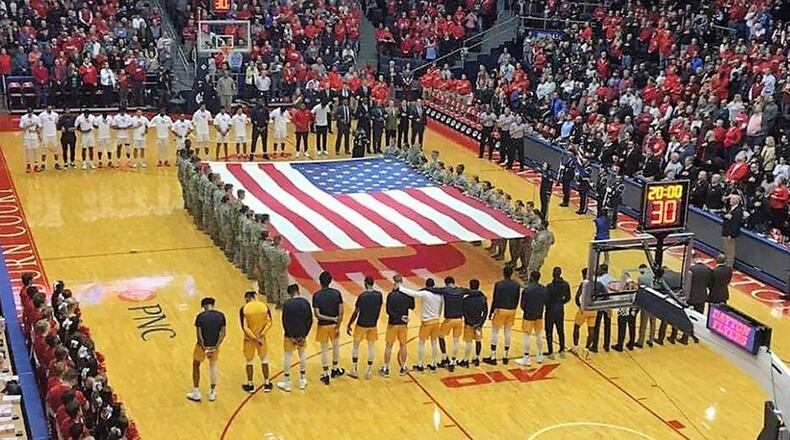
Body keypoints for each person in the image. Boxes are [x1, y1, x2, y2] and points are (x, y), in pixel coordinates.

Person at [400, 278, 444, 372]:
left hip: (426, 322)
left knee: (421, 343)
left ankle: (420, 364)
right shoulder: (439, 295)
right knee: (434, 343)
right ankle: (433, 364)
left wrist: (400, 288)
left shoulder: (425, 293)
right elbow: (440, 309)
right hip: (436, 321)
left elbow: (413, 293)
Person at [187, 297, 226, 402]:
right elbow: (223, 333)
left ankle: (196, 392)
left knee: (196, 365)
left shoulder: (200, 317)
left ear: (204, 306)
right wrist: (216, 346)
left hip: (201, 346)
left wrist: (204, 347)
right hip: (214, 346)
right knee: (213, 366)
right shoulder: (221, 316)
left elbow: (199, 335)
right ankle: (212, 392)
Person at [345, 276, 382, 379]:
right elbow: (378, 309)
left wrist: (349, 323)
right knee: (372, 347)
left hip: (361, 324)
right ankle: (369, 371)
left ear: (365, 283)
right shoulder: (379, 295)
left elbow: (356, 311)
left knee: (356, 346)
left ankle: (354, 369)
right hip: (372, 324)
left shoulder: (362, 296)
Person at [312, 271, 345, 385]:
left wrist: (329, 319)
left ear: (320, 282)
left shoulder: (316, 296)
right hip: (334, 326)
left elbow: (317, 314)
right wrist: (337, 324)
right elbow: (341, 312)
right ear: (330, 281)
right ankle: (335, 368)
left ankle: (325, 373)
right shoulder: (337, 293)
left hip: (323, 326)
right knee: (335, 347)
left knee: (324, 349)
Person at [277, 284, 312, 392]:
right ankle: (302, 379)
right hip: (302, 334)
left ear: (289, 293)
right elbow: (310, 320)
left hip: (289, 335)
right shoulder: (305, 303)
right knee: (302, 355)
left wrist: (291, 336)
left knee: (288, 356)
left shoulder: (287, 305)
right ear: (298, 291)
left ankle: (287, 381)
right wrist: (304, 335)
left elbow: (285, 322)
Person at [484, 265, 520, 365]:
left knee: (495, 331)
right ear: (511, 273)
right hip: (512, 309)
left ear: (503, 273)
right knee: (507, 331)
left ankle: (493, 356)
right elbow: (517, 299)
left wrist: (491, 312)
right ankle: (505, 356)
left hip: (501, 309)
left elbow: (495, 299)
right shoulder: (516, 285)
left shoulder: (499, 284)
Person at [380, 274, 414, 377]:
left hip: (393, 323)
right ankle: (403, 367)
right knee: (403, 345)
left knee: (389, 346)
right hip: (403, 323)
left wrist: (398, 316)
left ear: (394, 282)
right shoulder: (408, 294)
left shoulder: (391, 295)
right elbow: (412, 307)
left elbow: (388, 311)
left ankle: (385, 368)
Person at [239, 291, 273, 393]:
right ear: (255, 296)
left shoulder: (244, 309)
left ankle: (250, 384)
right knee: (264, 359)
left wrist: (254, 337)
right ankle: (267, 383)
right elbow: (269, 322)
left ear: (247, 298)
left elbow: (245, 327)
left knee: (249, 361)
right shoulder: (264, 306)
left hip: (249, 339)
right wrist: (261, 334)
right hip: (261, 338)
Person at [516, 271, 550, 366]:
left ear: (531, 277)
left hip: (528, 315)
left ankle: (526, 357)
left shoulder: (527, 290)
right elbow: (546, 301)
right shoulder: (544, 289)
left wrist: (527, 310)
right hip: (539, 314)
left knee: (526, 335)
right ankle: (539, 355)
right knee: (539, 334)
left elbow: (522, 305)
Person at [459, 279, 487, 367]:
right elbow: (485, 312)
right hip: (478, 324)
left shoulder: (466, 299)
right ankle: (477, 358)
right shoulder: (482, 298)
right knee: (478, 341)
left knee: (468, 342)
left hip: (469, 324)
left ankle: (466, 360)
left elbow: (463, 312)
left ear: (470, 286)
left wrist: (469, 321)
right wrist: (480, 323)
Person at [544, 267, 570, 359]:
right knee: (560, 330)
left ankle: (551, 352)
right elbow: (568, 297)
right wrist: (561, 303)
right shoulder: (565, 285)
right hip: (560, 309)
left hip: (550, 310)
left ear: (553, 274)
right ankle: (562, 349)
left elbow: (546, 299)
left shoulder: (550, 286)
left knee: (549, 331)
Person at [569, 268, 595, 356]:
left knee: (576, 327)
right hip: (593, 309)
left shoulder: (584, 283)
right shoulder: (595, 283)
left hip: (584, 309)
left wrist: (580, 306)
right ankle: (587, 349)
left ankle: (576, 347)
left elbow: (577, 296)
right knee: (591, 330)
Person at [635, 264, 656, 348]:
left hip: (646, 301)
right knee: (653, 321)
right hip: (655, 300)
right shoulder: (653, 274)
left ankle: (640, 341)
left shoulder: (641, 277)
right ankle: (651, 339)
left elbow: (639, 289)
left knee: (644, 322)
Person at [721, 194, 743, 267]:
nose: (730, 201)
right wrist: (725, 216)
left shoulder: (738, 211)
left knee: (730, 249)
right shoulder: (731, 207)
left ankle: (729, 264)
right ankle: (725, 261)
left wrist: (731, 234)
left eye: (731, 200)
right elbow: (725, 216)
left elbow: (736, 224)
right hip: (726, 230)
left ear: (736, 201)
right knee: (726, 248)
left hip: (730, 233)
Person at [19, 108, 42, 173]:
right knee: (28, 151)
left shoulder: (36, 118)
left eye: (31, 112)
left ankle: (36, 165)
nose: (30, 114)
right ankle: (28, 165)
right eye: (29, 113)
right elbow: (21, 127)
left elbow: (39, 126)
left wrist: (38, 133)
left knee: (36, 151)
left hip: (34, 137)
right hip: (27, 137)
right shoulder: (23, 118)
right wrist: (28, 126)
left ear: (33, 112)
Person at [39, 106, 59, 171]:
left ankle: (56, 163)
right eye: (48, 108)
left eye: (51, 108)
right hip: (45, 135)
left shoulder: (55, 115)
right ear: (46, 108)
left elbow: (57, 123)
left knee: (55, 150)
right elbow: (39, 125)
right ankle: (43, 164)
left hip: (53, 135)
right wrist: (39, 134)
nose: (49, 109)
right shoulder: (42, 115)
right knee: (43, 150)